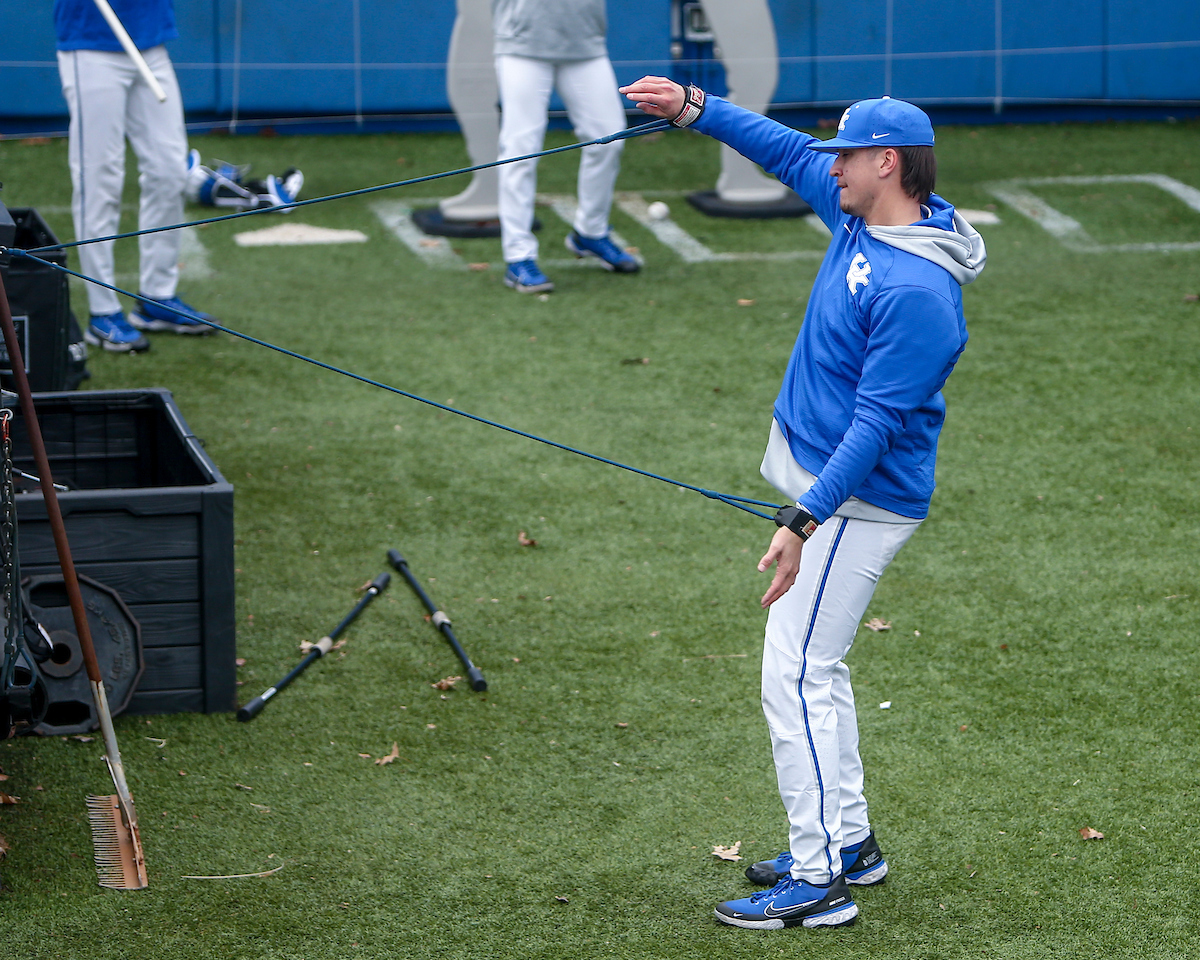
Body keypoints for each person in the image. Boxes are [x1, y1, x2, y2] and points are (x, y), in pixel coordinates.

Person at [620, 77, 985, 930]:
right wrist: (693, 108)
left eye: (848, 155)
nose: (833, 166)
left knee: (796, 673)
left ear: (886, 163)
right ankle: (849, 842)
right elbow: (784, 150)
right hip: (835, 496)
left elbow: (878, 424)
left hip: (860, 503)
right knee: (814, 666)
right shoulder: (865, 214)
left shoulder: (917, 292)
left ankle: (820, 880)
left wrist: (802, 519)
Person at [55, 0, 217, 352]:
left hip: (150, 41)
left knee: (170, 171)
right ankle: (103, 313)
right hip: (91, 45)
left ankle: (156, 299)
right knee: (99, 180)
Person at [492, 0, 639, 293]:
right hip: (523, 42)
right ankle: (518, 256)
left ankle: (590, 232)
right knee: (520, 150)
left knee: (609, 139)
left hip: (584, 41)